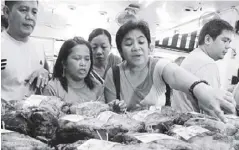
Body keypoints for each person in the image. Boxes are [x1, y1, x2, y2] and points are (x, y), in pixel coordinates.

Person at [104, 19, 236, 122]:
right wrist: (114, 107)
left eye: (141, 42)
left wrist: (201, 89)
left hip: (159, 136)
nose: (136, 47)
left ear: (149, 46)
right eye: (128, 44)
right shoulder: (114, 74)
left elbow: (174, 73)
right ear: (120, 50)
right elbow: (111, 114)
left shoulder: (158, 66)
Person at [172, 19, 235, 113]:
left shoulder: (193, 56)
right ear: (208, 39)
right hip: (194, 125)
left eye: (229, 42)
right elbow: (212, 109)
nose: (228, 46)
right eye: (224, 40)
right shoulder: (208, 64)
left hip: (182, 121)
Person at [1, 0, 49, 101]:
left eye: (34, 12)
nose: (30, 17)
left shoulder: (39, 46)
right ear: (6, 12)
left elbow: (47, 76)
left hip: (32, 114)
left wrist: (44, 73)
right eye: (23, 10)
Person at [43, 37, 104, 104]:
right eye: (77, 58)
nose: (83, 64)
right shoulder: (53, 87)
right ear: (64, 62)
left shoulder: (97, 86)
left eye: (87, 59)